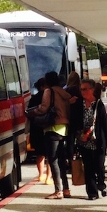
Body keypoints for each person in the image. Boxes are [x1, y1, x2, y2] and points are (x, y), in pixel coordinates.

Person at [30, 70, 71, 199]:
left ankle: (58, 191)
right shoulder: (64, 92)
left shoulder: (49, 91)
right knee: (61, 160)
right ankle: (66, 189)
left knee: (53, 160)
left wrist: (33, 112)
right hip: (63, 128)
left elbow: (44, 107)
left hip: (52, 127)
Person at [71, 79, 107, 200]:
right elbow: (74, 123)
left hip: (98, 142)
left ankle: (101, 185)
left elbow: (105, 124)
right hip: (84, 142)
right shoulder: (78, 104)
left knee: (99, 166)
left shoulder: (98, 104)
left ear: (92, 90)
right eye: (81, 89)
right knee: (88, 168)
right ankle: (92, 193)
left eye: (85, 89)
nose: (82, 91)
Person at [28, 78, 49, 184]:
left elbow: (29, 113)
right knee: (50, 154)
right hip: (48, 127)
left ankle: (41, 175)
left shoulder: (34, 98)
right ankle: (49, 176)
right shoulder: (49, 97)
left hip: (36, 128)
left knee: (39, 153)